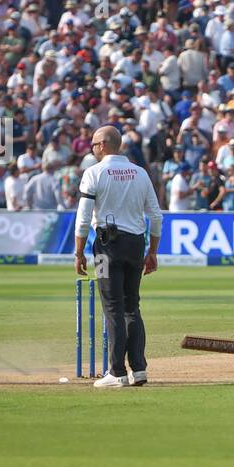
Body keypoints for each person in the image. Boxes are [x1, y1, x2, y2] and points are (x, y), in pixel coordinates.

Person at [73, 125, 163, 387]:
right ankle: (139, 369)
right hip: (136, 244)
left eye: (93, 145)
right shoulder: (140, 173)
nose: (92, 149)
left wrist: (79, 252)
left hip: (107, 247)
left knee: (112, 308)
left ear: (102, 145)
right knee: (131, 306)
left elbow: (82, 218)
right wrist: (153, 251)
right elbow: (156, 216)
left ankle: (116, 372)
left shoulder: (94, 172)